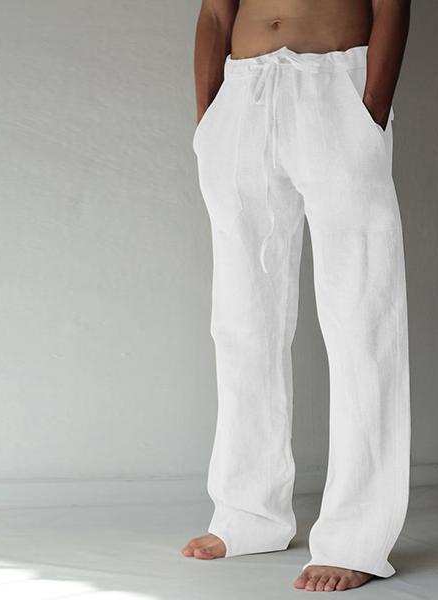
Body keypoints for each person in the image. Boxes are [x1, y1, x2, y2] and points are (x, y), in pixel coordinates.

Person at [181, 0, 411, 592]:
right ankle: (248, 514)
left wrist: (370, 109)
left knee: (362, 319)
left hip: (337, 89)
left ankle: (356, 538)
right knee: (242, 323)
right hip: (243, 95)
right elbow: (215, 15)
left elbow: (392, 6)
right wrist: (210, 117)